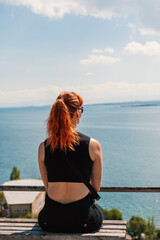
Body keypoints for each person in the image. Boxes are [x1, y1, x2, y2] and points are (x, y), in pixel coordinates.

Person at [38, 91, 104, 233]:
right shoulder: (93, 145)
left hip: (50, 221)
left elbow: (48, 187)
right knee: (99, 211)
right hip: (82, 222)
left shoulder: (43, 147)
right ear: (77, 113)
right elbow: (95, 188)